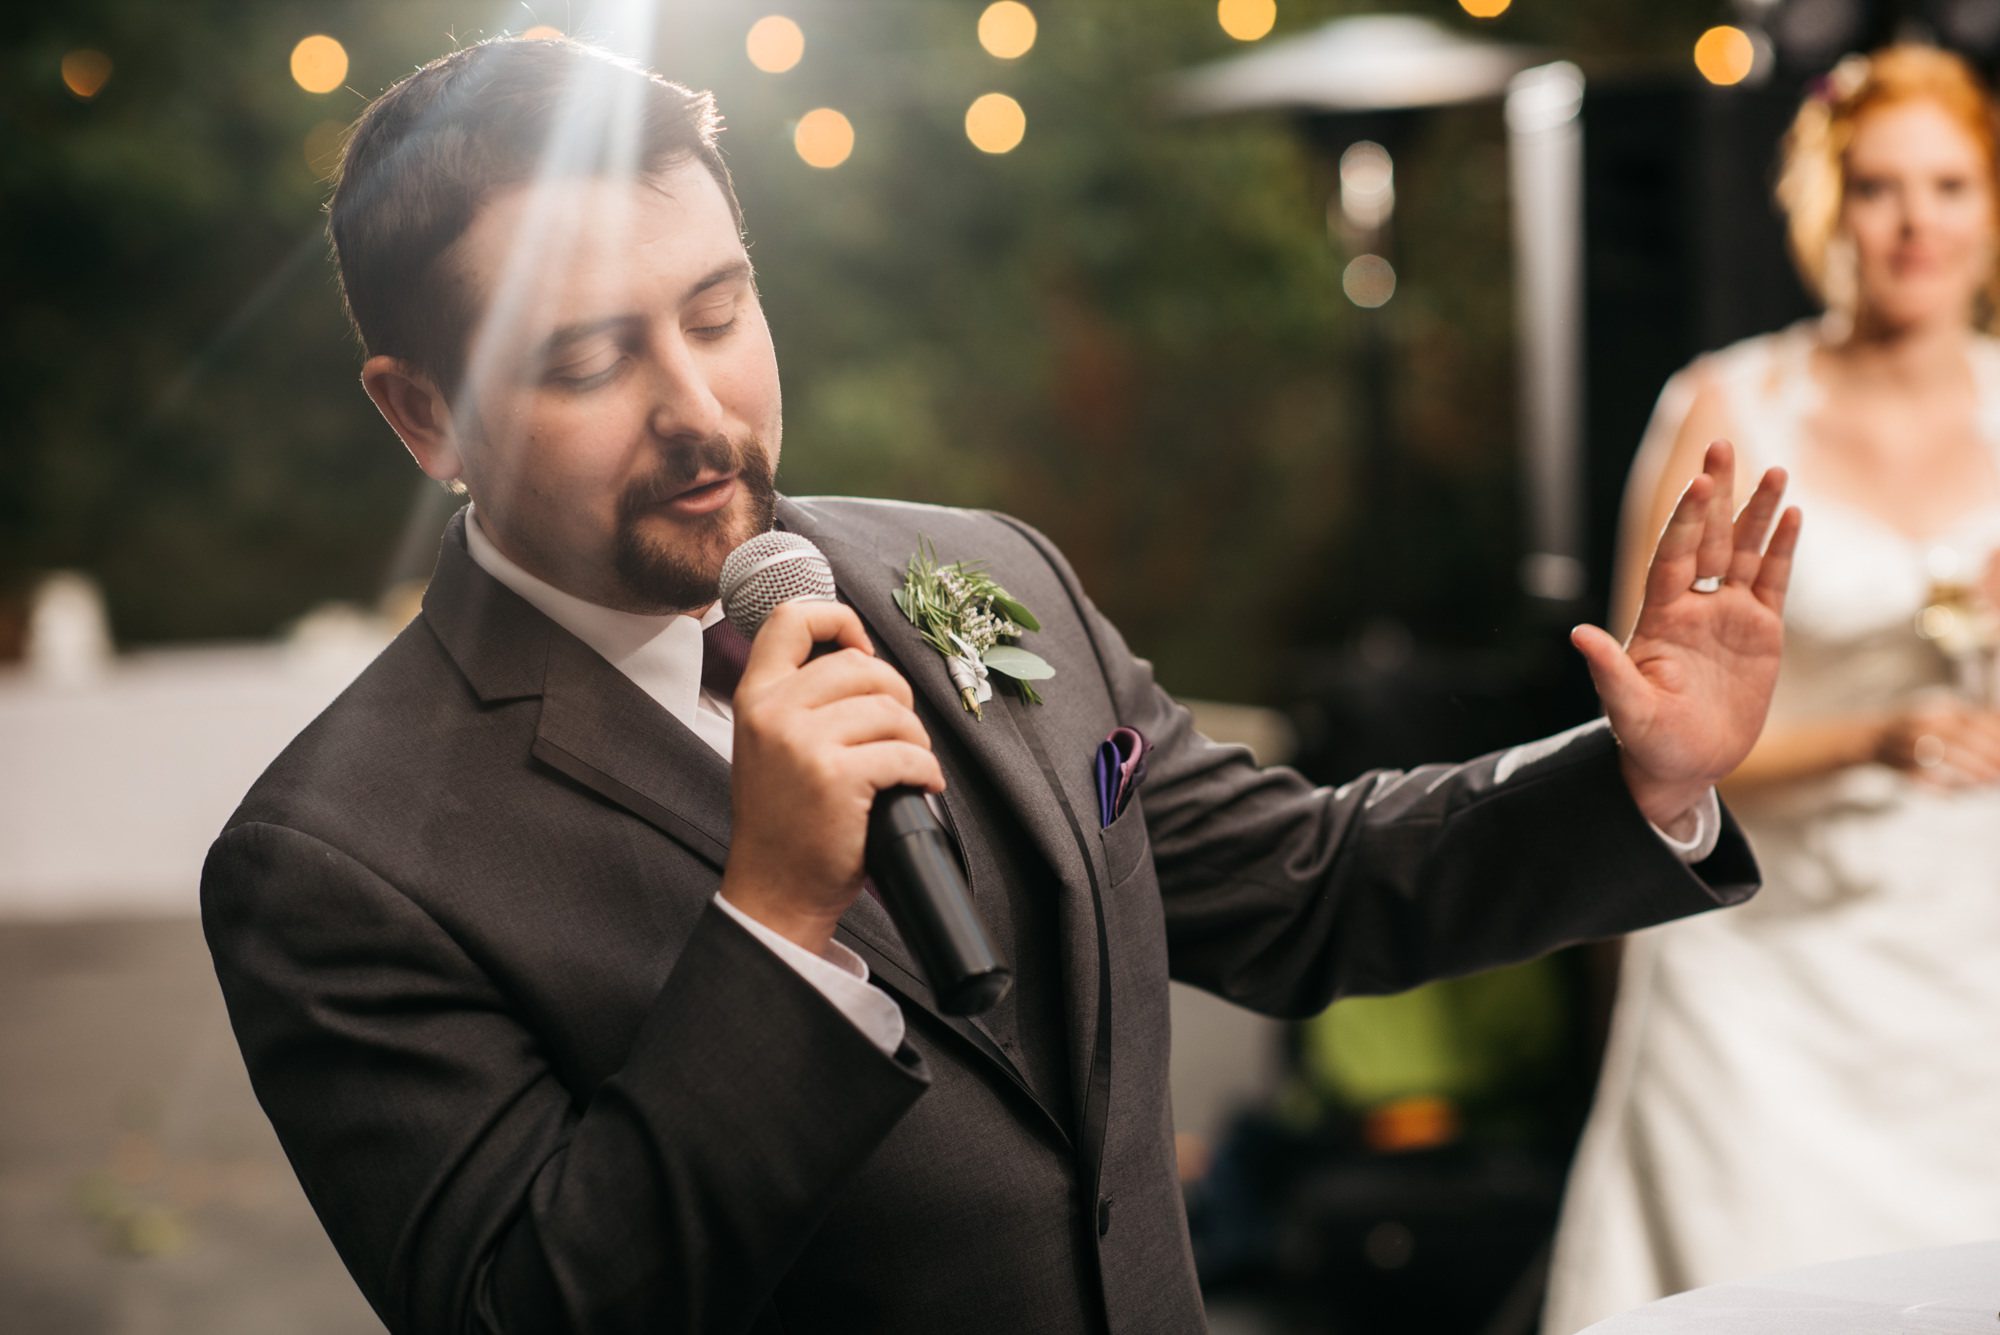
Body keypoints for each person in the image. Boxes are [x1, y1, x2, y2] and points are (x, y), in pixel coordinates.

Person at [200, 37, 1797, 1335]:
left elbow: (1302, 888)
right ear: (425, 415)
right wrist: (770, 924)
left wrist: (1635, 777)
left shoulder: (985, 577)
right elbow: (526, 1306)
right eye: (589, 360)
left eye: (719, 311)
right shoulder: (337, 866)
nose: (701, 411)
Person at [1542, 45, 2000, 1334]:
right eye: (1878, 186)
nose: (1915, 222)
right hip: (1761, 980)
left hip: (1975, 974)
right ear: (1825, 206)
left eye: (1950, 185)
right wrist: (1872, 738)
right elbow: (1643, 730)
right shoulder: (1729, 408)